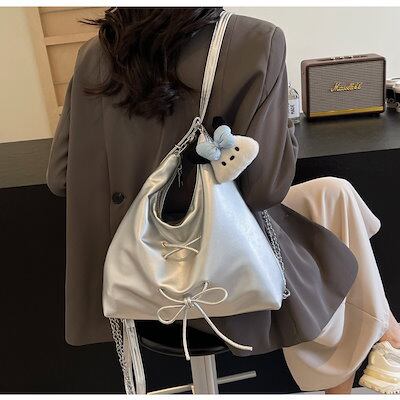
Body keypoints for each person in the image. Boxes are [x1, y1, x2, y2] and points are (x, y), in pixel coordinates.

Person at [46, 7, 400, 394]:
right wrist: (281, 131)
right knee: (330, 253)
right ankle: (377, 347)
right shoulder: (258, 40)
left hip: (129, 272)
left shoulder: (96, 53)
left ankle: (387, 336)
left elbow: (61, 177)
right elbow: (265, 189)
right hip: (216, 277)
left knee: (334, 193)